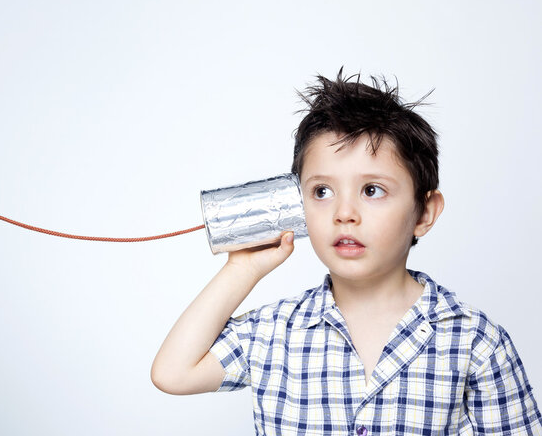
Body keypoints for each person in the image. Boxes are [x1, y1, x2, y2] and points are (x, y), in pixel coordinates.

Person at [151, 70, 542, 435]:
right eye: (322, 191)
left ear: (424, 213)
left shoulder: (474, 340)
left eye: (372, 190)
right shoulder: (274, 332)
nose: (344, 214)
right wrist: (244, 267)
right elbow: (174, 372)